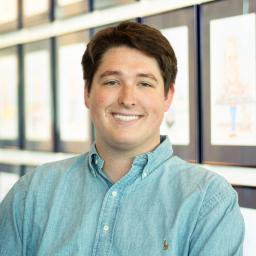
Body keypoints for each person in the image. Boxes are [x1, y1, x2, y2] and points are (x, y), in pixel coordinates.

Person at [0, 21, 244, 255]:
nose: (127, 99)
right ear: (87, 92)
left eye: (144, 84)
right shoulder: (32, 194)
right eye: (112, 82)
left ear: (168, 96)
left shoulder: (209, 202)